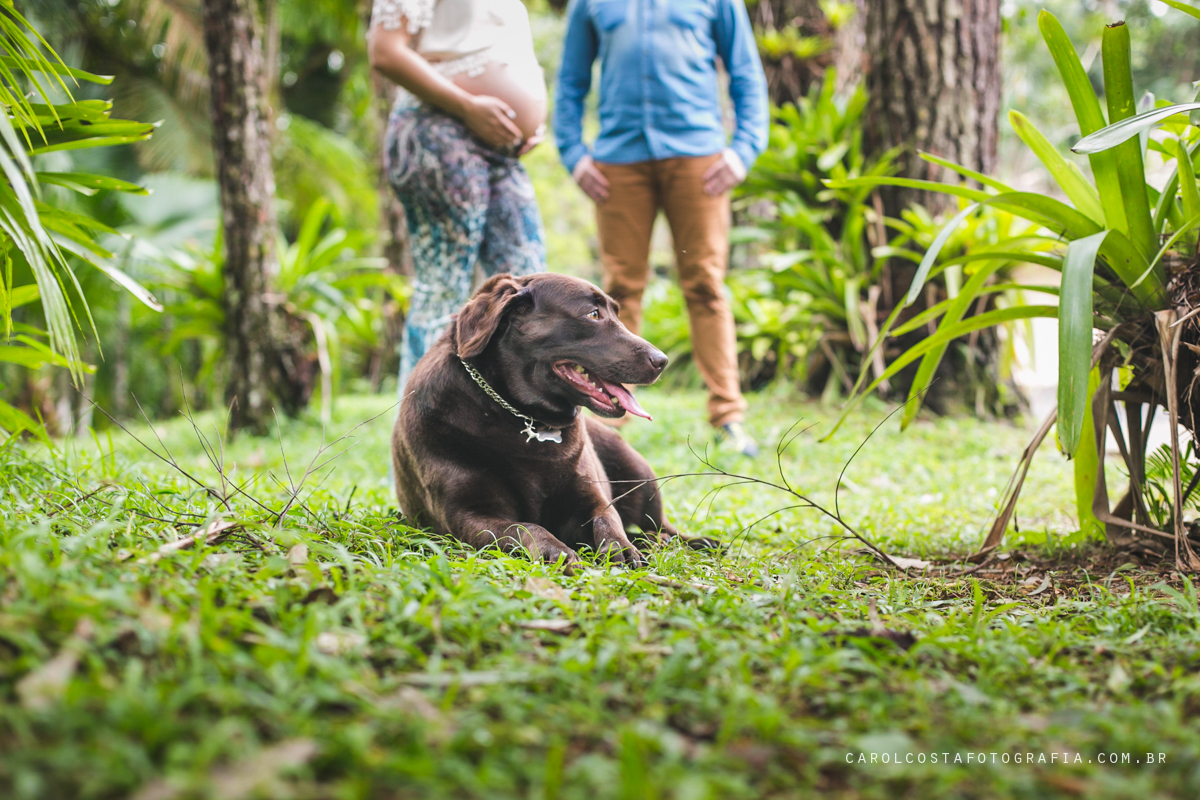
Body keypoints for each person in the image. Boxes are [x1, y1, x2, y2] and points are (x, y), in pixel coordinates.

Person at [554, 0, 769, 457]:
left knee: (706, 284)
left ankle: (728, 415)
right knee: (618, 291)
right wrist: (574, 155)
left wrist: (743, 149)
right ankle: (612, 417)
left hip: (699, 159)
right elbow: (570, 82)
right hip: (618, 162)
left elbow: (746, 74)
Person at [367, 0, 549, 395]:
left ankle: (514, 437)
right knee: (443, 288)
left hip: (501, 151)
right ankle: (417, 439)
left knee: (529, 292)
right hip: (437, 129)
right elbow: (384, 50)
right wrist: (467, 106)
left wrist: (529, 121)